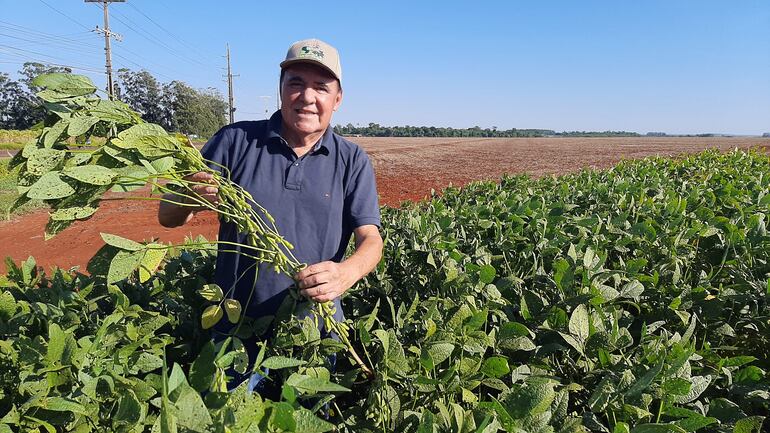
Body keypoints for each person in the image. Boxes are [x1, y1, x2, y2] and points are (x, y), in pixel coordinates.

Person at [158, 38, 383, 382]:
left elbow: (371, 238)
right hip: (236, 331)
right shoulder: (234, 141)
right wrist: (189, 193)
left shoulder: (351, 160)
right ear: (280, 89)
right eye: (296, 83)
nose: (307, 97)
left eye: (321, 87)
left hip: (314, 334)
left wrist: (346, 272)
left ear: (337, 99)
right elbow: (168, 217)